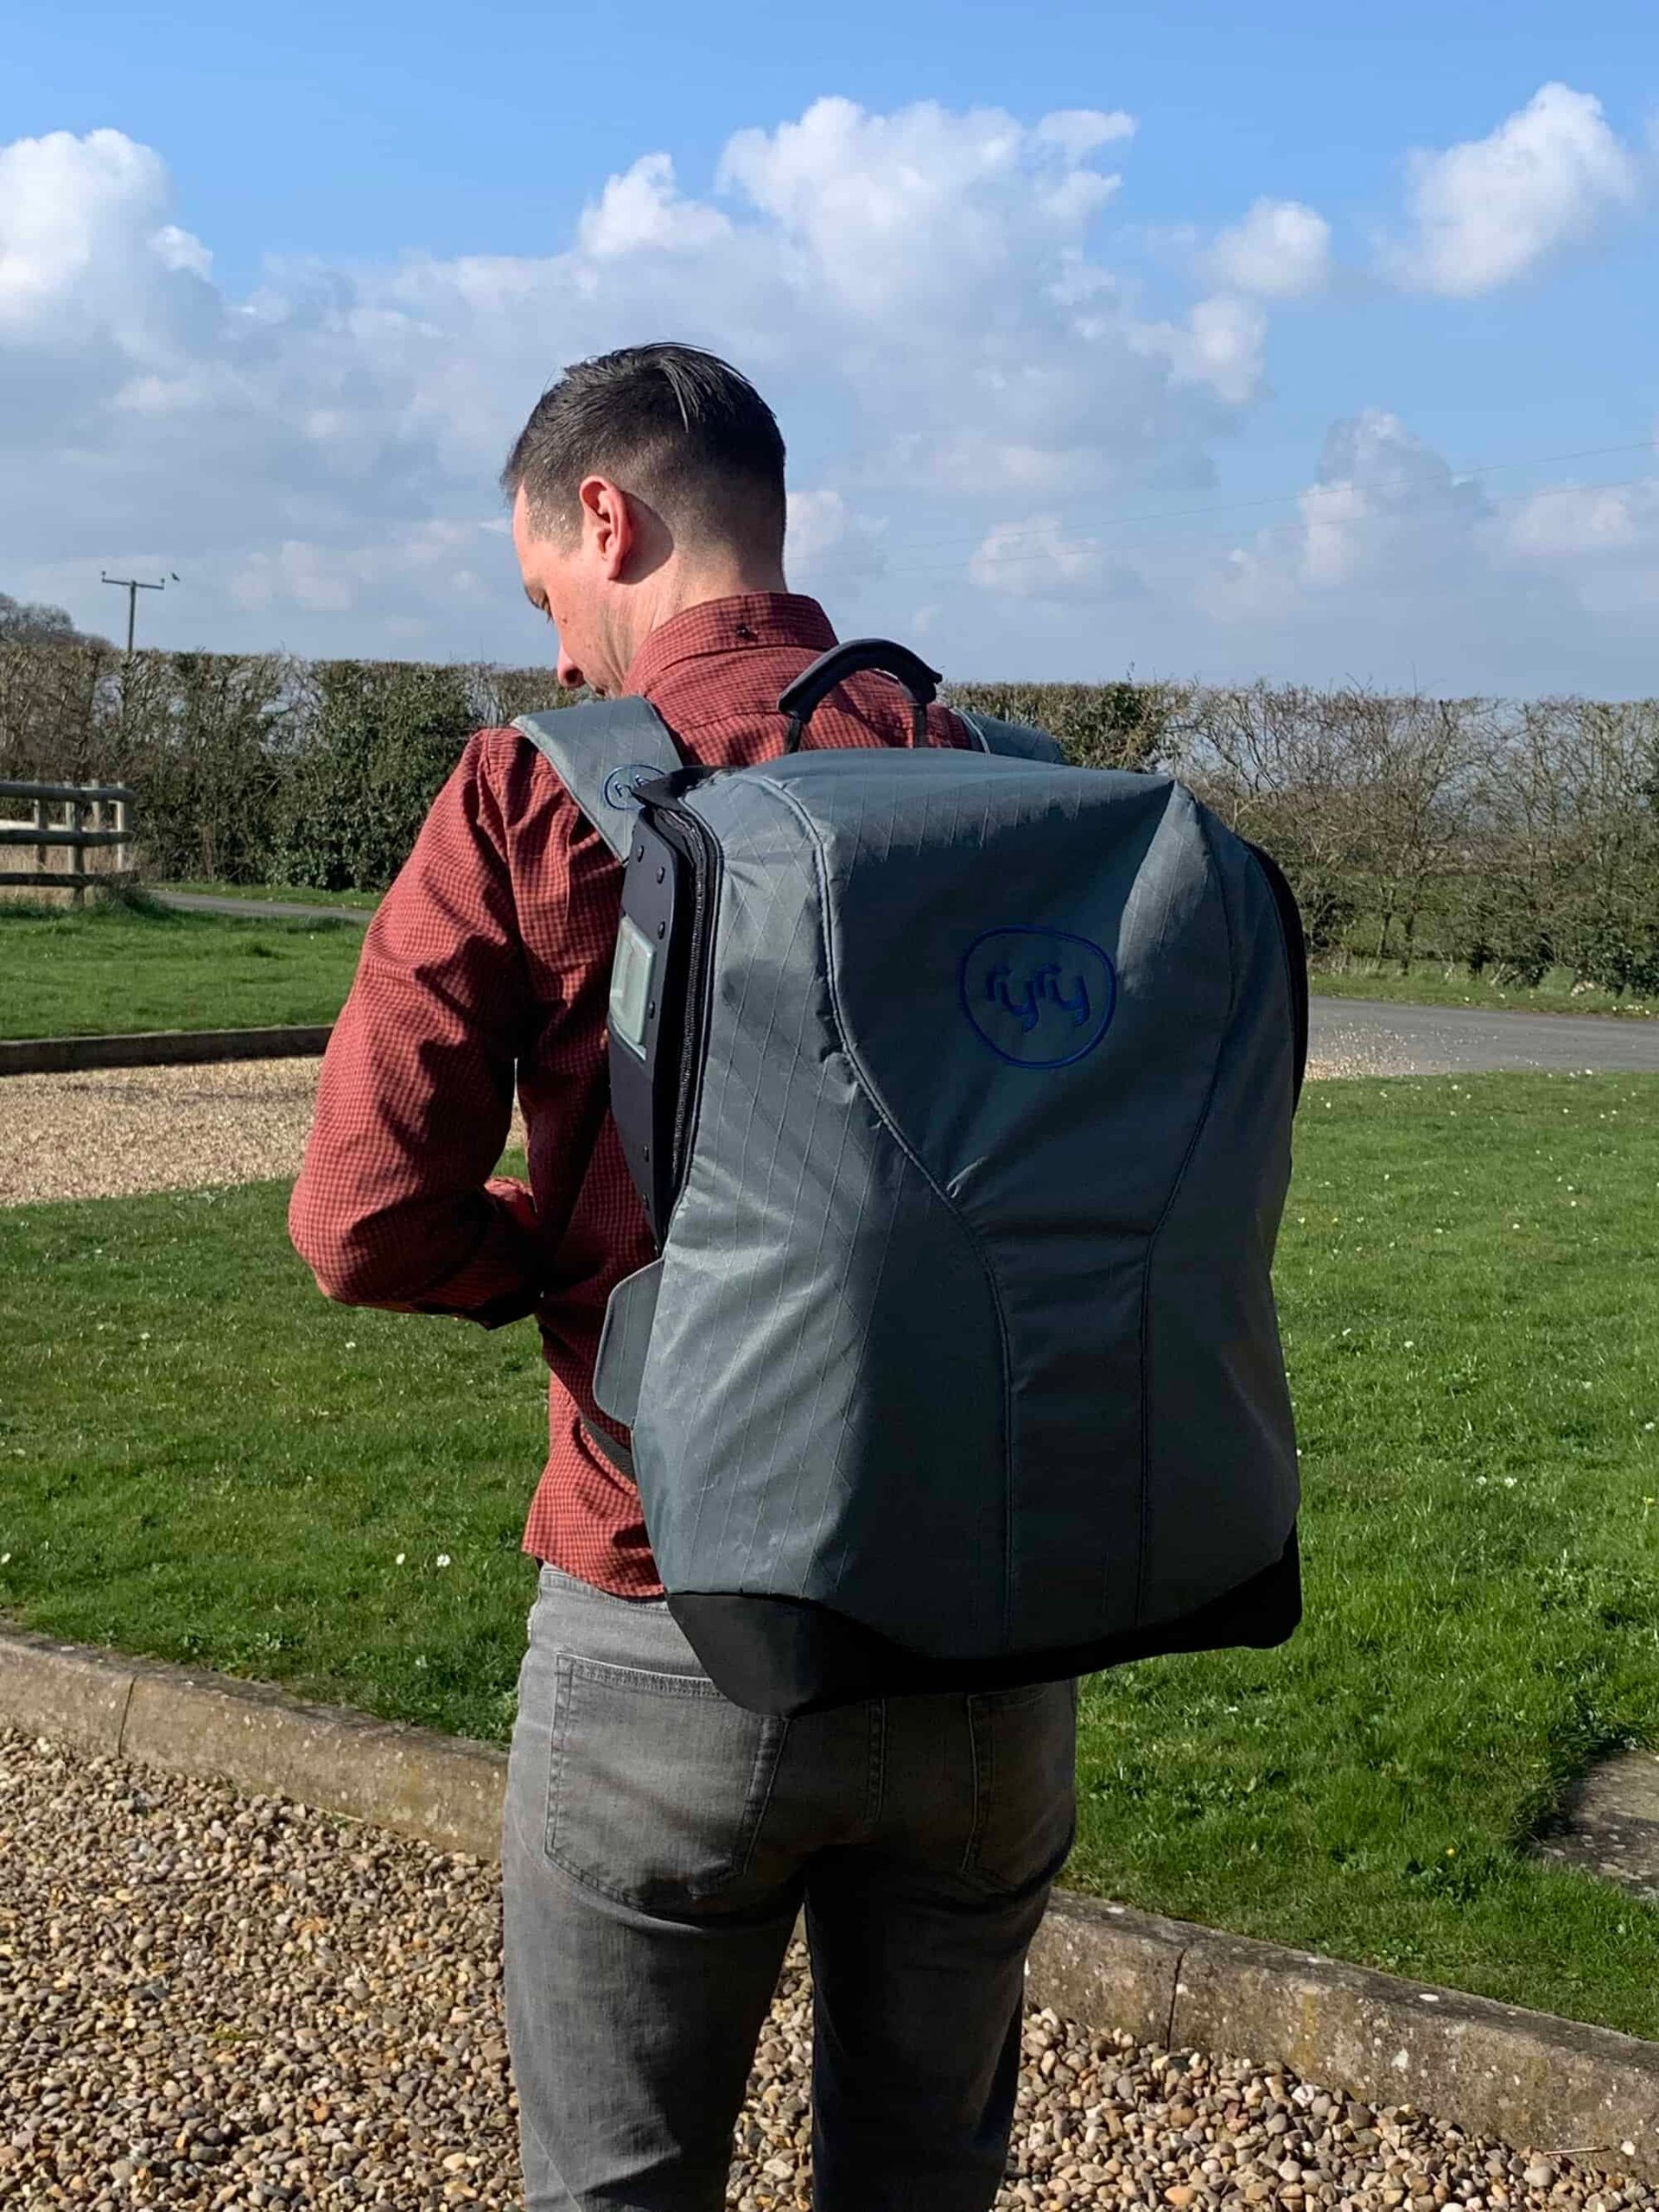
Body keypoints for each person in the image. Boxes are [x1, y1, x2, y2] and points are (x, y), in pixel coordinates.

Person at [289, 342, 1077, 2212]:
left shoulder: (535, 789)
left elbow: (364, 1214)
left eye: (544, 596)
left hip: (667, 1610)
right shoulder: (1007, 784)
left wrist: (555, 1265)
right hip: (988, 1635)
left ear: (606, 518)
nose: (562, 655)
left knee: (618, 2186)